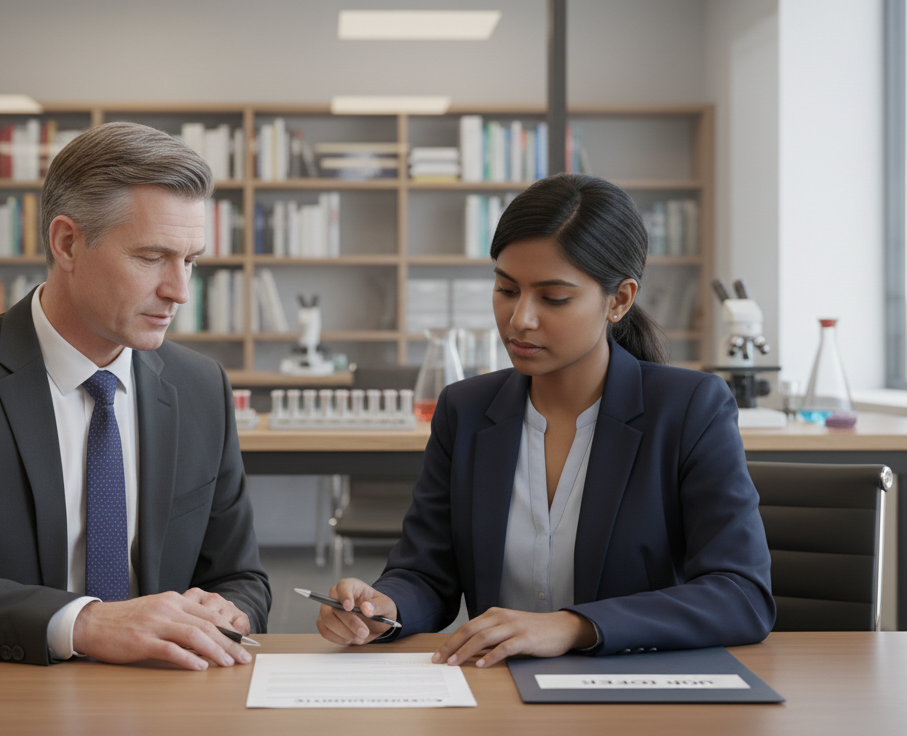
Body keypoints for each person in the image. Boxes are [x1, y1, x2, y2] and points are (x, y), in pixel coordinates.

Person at [0, 122, 269, 670]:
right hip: (1, 701)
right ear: (66, 242)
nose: (179, 291)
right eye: (151, 257)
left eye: (190, 260)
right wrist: (86, 623)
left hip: (167, 701)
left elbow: (242, 577)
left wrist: (227, 610)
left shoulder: (201, 386)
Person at [315, 173, 774, 666]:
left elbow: (740, 593)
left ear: (618, 300)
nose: (520, 320)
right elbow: (426, 574)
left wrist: (573, 626)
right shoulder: (465, 411)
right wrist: (384, 607)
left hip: (635, 692)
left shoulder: (689, 409)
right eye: (506, 290)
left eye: (553, 298)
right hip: (498, 696)